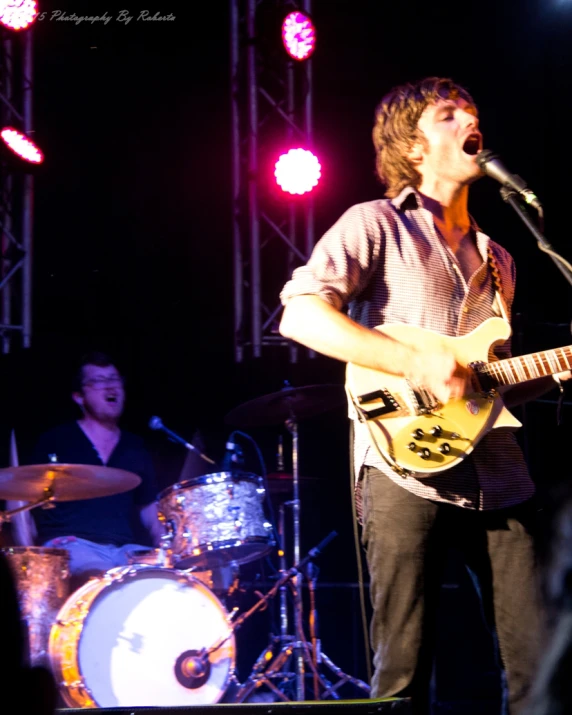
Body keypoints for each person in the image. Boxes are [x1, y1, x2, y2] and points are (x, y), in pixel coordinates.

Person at [279, 77, 567, 714]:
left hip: (498, 471)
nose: (470, 118)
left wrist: (548, 371)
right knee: (403, 674)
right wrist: (412, 359)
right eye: (448, 114)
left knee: (539, 667)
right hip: (402, 468)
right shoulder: (375, 223)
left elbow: (485, 379)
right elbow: (299, 314)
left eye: (472, 110)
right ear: (412, 146)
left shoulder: (502, 257)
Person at [7, 351, 164, 582]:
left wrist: (172, 551)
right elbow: (19, 495)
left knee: (165, 576)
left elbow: (150, 511)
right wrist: (32, 565)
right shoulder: (57, 440)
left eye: (114, 379)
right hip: (72, 545)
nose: (110, 387)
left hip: (124, 550)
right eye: (99, 381)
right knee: (102, 578)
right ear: (79, 397)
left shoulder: (135, 446)